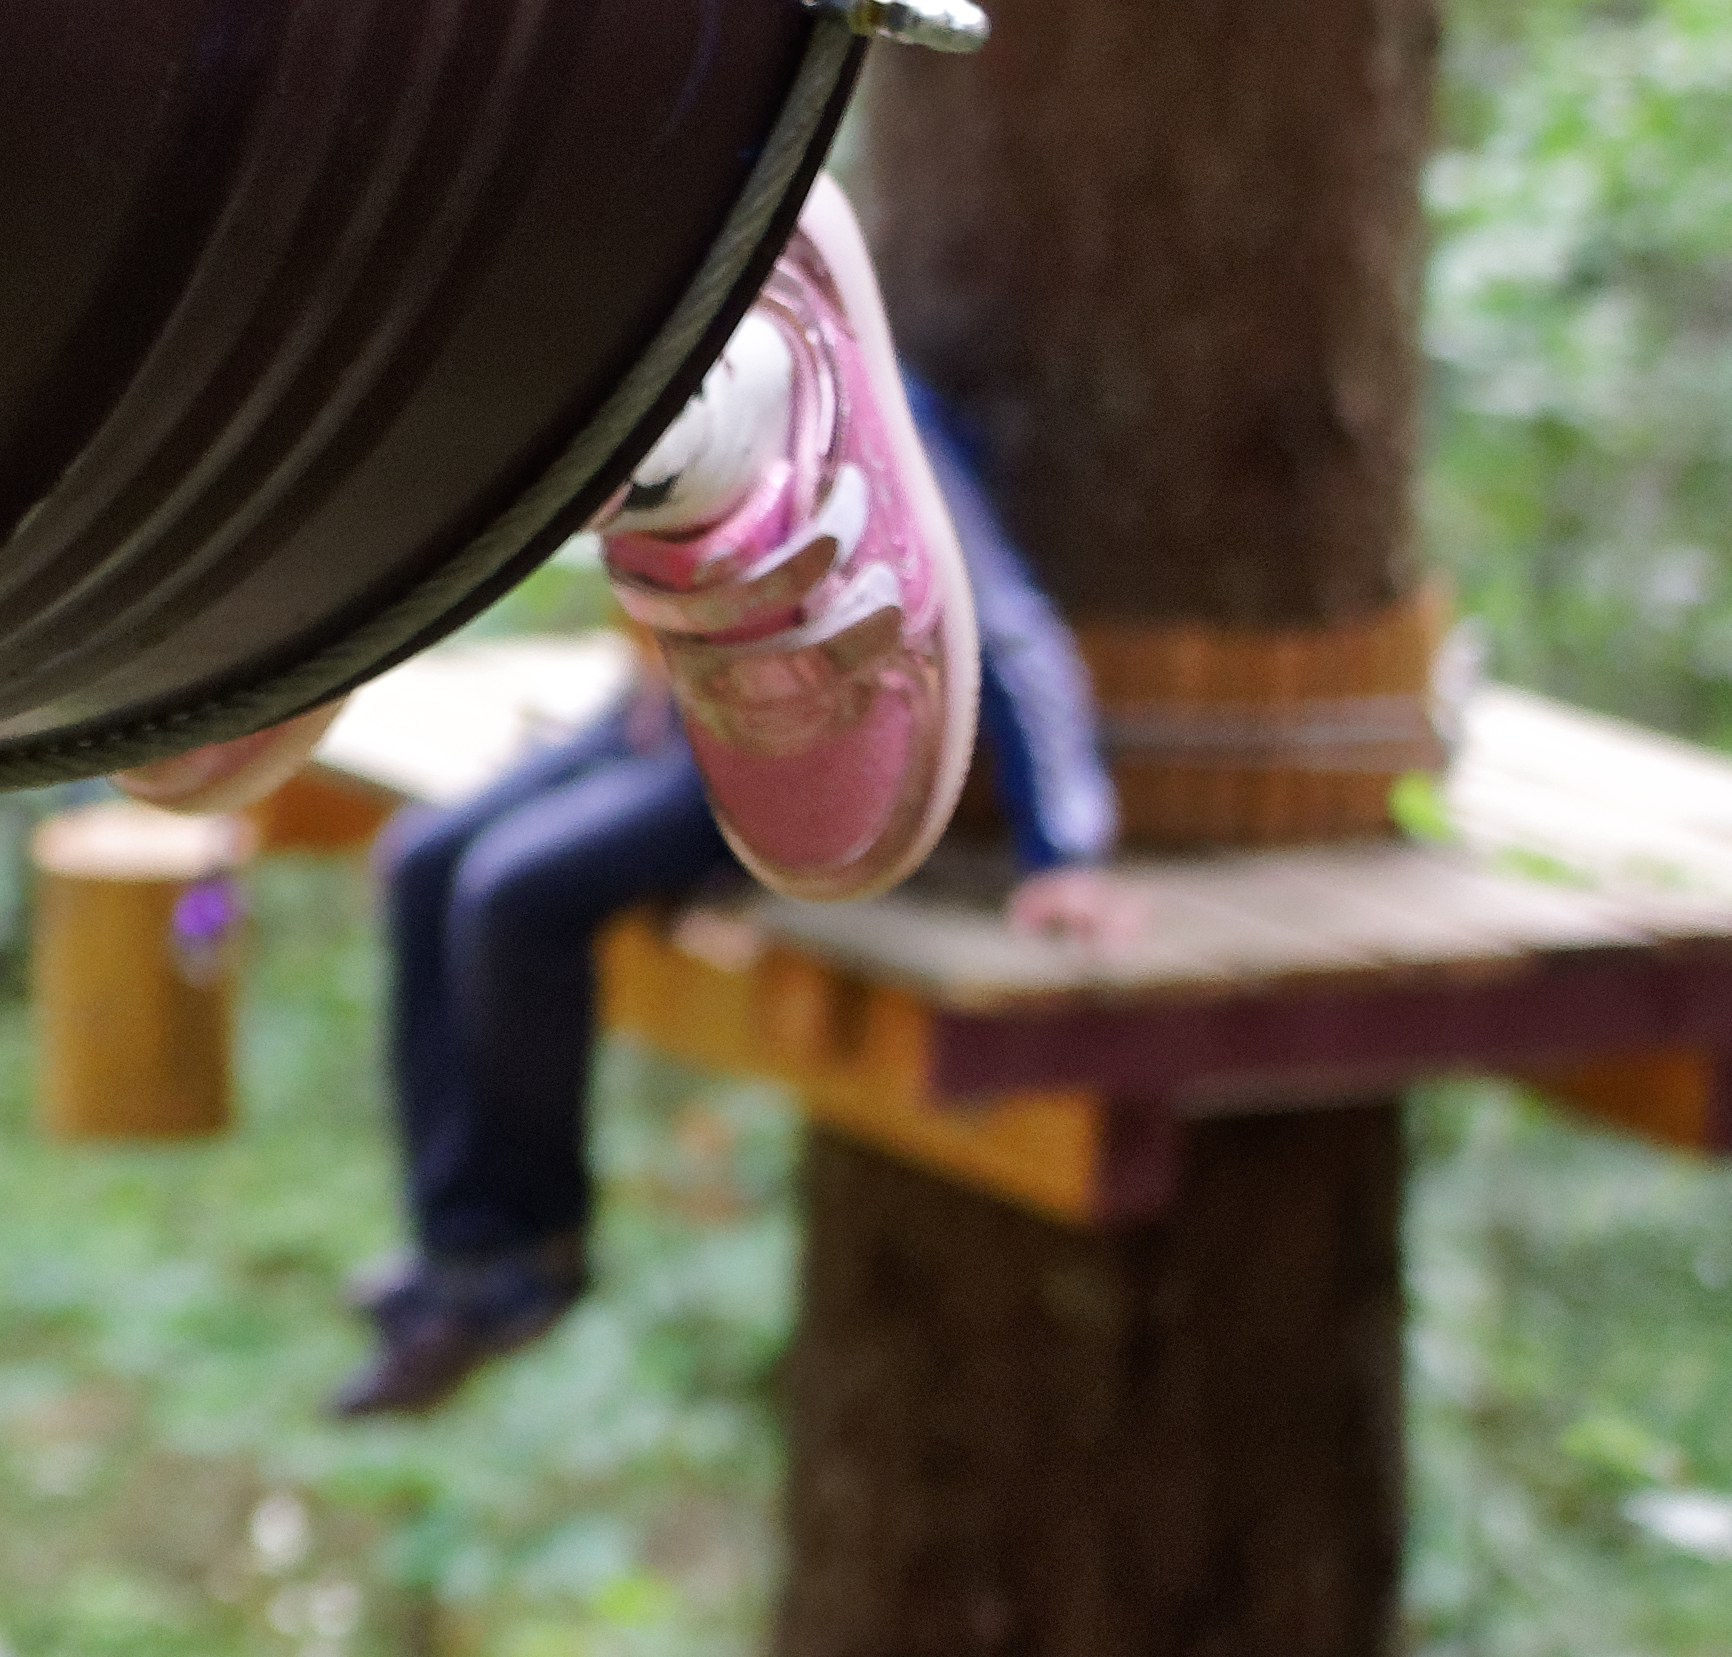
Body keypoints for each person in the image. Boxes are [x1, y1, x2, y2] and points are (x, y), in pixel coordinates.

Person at [139, 178, 1123, 1419]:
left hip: (769, 724)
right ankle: (460, 1248)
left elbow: (1014, 629)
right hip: (651, 712)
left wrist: (1065, 847)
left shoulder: (864, 414)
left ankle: (525, 1253)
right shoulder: (629, 366)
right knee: (431, 852)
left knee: (514, 894)